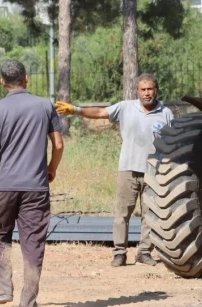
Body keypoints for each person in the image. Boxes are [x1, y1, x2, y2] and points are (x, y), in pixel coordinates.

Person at [55, 73, 174, 267]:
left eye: (150, 89)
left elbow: (172, 141)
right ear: (137, 91)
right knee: (122, 214)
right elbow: (101, 113)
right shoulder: (126, 108)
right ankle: (120, 252)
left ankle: (144, 252)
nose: (146, 93)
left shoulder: (166, 113)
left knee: (150, 215)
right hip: (128, 169)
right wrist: (75, 110)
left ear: (156, 90)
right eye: (143, 90)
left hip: (154, 172)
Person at [0, 60, 64, 307]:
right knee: (33, 241)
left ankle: (3, 291)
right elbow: (57, 144)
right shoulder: (45, 105)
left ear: (2, 81)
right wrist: (51, 169)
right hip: (36, 186)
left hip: (3, 186)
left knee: (0, 233)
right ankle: (28, 301)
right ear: (27, 78)